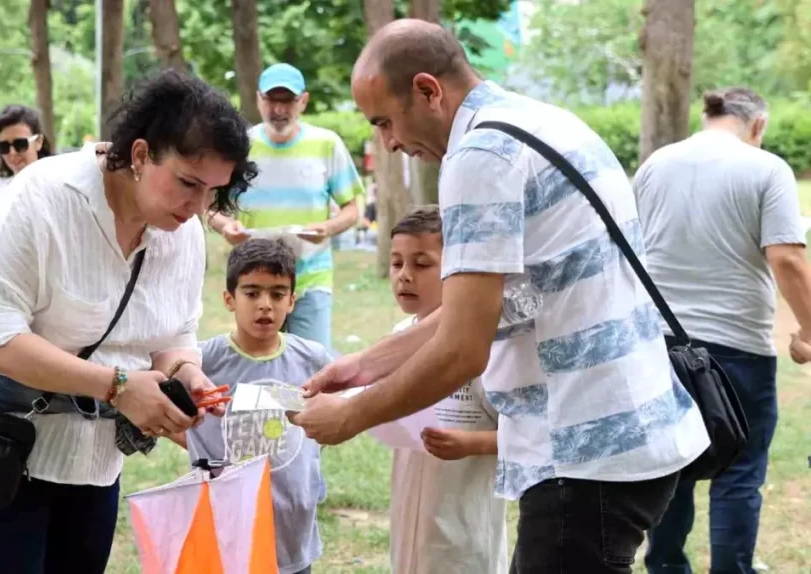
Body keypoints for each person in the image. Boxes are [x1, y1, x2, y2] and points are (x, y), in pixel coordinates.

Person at [289, 19, 709, 574]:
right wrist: (362, 366)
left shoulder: (479, 157)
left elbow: (463, 351)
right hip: (625, 434)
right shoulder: (536, 121)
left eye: (386, 122)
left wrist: (352, 417)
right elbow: (494, 312)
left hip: (583, 453)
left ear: (428, 90)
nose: (388, 142)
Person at [0, 69, 256, 574]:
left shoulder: (180, 229)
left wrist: (188, 376)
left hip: (93, 462)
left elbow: (173, 334)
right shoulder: (41, 197)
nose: (198, 207)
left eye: (213, 192)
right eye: (188, 183)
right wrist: (118, 386)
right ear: (140, 155)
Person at [634, 87, 811, 574]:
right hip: (737, 348)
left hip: (660, 344)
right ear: (759, 126)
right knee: (739, 473)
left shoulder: (654, 165)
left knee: (673, 468)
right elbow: (787, 258)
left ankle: (667, 567)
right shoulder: (765, 168)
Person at [177, 238, 334, 574]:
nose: (266, 305)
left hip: (292, 530)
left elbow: (328, 418)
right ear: (229, 299)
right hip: (225, 525)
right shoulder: (202, 363)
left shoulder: (313, 359)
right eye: (252, 293)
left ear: (292, 301)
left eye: (277, 294)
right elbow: (171, 418)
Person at [382, 207, 507, 574]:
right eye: (396, 263)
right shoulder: (398, 337)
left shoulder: (486, 348)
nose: (404, 276)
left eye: (421, 265)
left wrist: (472, 444)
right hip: (408, 526)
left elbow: (527, 434)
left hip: (465, 534)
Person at [207, 63, 366, 349]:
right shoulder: (241, 146)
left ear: (303, 101)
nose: (278, 110)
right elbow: (207, 204)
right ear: (258, 99)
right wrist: (224, 226)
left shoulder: (326, 144)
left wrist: (327, 228)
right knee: (259, 363)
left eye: (287, 101)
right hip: (253, 281)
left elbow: (353, 208)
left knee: (311, 365)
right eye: (271, 100)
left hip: (310, 277)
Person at [0, 104, 52, 209]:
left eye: (20, 144)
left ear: (38, 142)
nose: (12, 152)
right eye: (3, 146)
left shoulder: (57, 188)